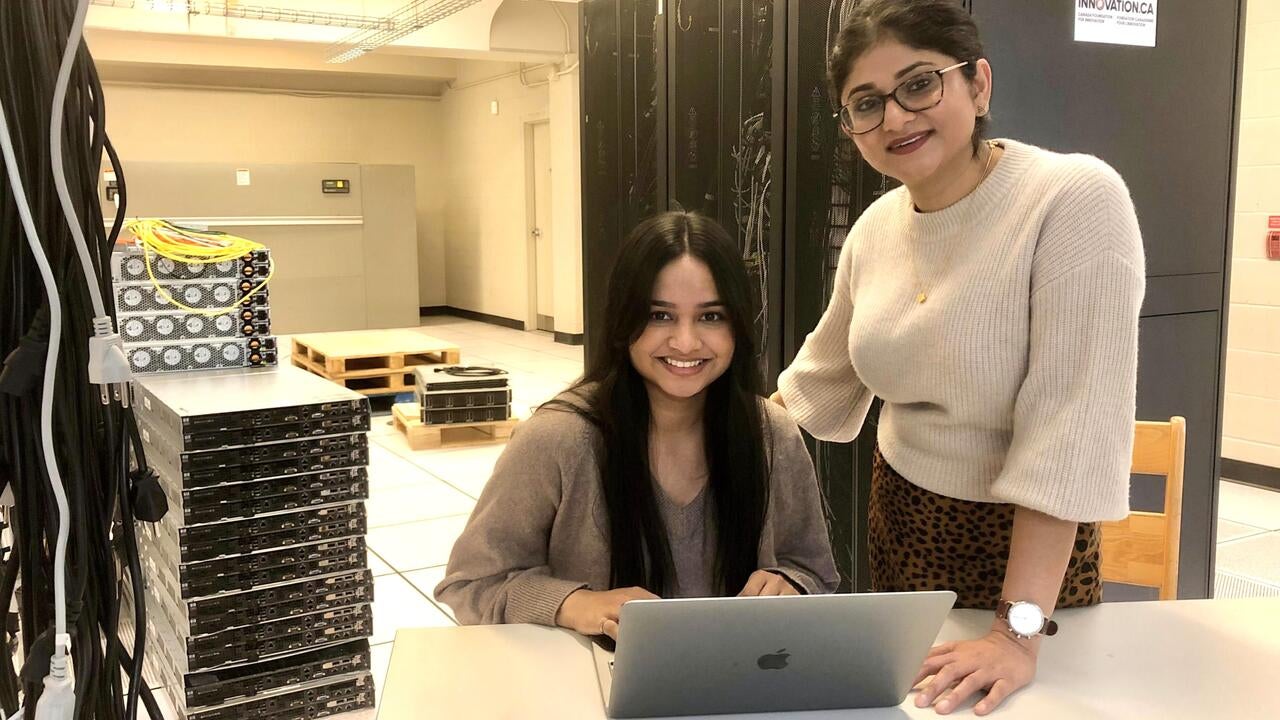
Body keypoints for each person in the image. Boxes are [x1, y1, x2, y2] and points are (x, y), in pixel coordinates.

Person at [772, 0, 1144, 715]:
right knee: (908, 702)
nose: (896, 118)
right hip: (900, 524)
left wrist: (1017, 634)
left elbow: (1066, 441)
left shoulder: (1072, 199)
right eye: (866, 103)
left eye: (920, 85)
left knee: (1019, 704)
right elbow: (814, 385)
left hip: (1027, 557)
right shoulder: (876, 228)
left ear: (978, 85)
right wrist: (662, 422)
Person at [436, 211, 839, 641]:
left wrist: (791, 584)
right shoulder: (558, 439)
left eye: (710, 317)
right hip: (593, 688)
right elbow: (470, 585)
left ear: (737, 324)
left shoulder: (771, 434)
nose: (686, 342)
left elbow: (813, 569)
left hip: (739, 678)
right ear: (623, 320)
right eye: (660, 316)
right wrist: (574, 604)